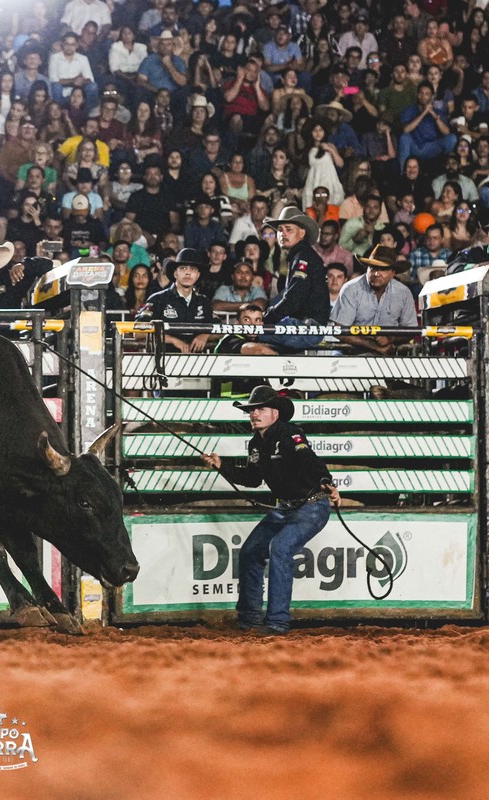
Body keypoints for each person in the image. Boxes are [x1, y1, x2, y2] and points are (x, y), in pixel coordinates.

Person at [200, 385, 340, 635]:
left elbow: (308, 459)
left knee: (281, 548)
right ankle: (250, 619)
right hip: (286, 507)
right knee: (250, 552)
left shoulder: (291, 434)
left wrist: (325, 481)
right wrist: (222, 466)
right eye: (252, 411)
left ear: (275, 413)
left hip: (311, 506)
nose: (254, 414)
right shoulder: (256, 444)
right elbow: (253, 479)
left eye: (260, 409)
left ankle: (277, 622)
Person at [258, 206, 329, 351]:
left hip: (305, 328)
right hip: (306, 327)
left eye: (288, 229)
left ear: (302, 233)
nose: (283, 233)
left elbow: (293, 300)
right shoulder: (301, 255)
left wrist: (265, 319)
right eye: (280, 230)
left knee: (251, 332)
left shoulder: (302, 257)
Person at [330, 245, 418, 355]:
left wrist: (390, 338)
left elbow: (411, 330)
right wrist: (373, 345)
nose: (376, 274)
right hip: (352, 352)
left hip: (389, 352)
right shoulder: (351, 289)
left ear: (393, 273)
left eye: (383, 269)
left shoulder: (403, 293)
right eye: (372, 268)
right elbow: (339, 331)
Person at [138, 248, 213, 352]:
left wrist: (204, 335)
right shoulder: (157, 299)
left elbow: (221, 330)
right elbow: (138, 332)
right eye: (183, 268)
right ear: (175, 273)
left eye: (193, 269)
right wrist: (172, 340)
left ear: (198, 275)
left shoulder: (204, 302)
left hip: (196, 359)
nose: (188, 273)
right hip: (163, 358)